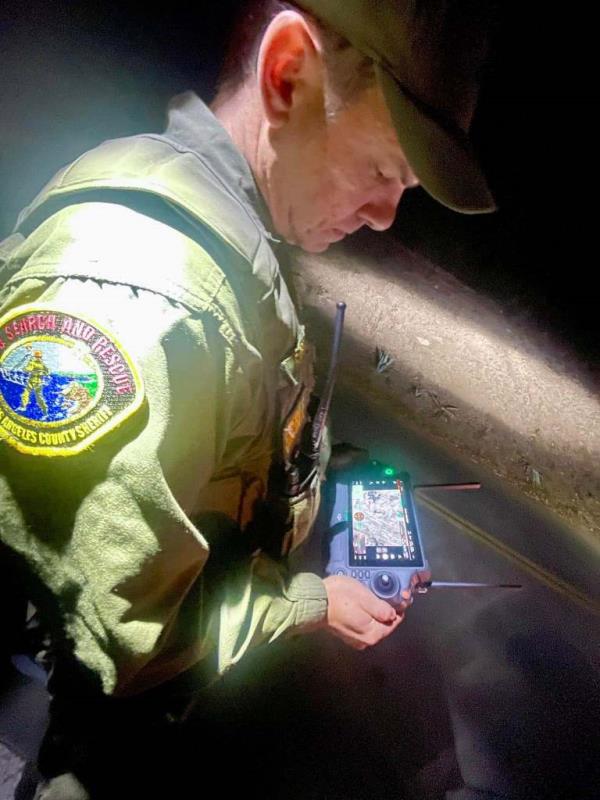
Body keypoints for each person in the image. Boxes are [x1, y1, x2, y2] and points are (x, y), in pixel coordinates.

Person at [0, 1, 496, 796]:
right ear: (288, 72)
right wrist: (312, 603)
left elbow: (250, 433)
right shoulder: (140, 294)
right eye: (380, 174)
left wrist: (356, 488)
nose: (382, 218)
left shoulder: (232, 219)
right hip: (138, 735)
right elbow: (126, 648)